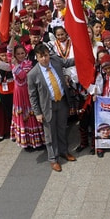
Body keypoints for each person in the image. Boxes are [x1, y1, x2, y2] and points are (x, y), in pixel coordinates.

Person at [27, 43, 77, 172]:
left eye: (46, 55)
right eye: (41, 57)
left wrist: (83, 55)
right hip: (47, 107)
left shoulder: (55, 60)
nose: (44, 59)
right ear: (36, 58)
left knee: (61, 129)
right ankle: (53, 159)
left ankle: (63, 151)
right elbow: (32, 96)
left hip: (61, 102)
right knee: (50, 134)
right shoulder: (33, 74)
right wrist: (37, 112)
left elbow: (68, 62)